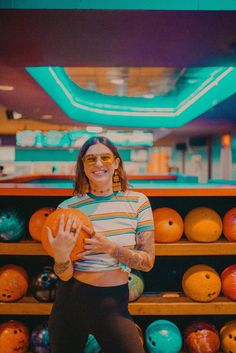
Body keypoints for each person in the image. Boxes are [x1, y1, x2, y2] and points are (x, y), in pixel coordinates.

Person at [48, 136, 155, 353]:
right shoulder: (67, 208)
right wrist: (60, 257)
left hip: (114, 304)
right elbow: (64, 274)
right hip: (71, 303)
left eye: (105, 157)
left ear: (116, 163)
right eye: (90, 159)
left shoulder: (137, 202)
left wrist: (111, 248)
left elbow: (147, 263)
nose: (98, 164)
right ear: (83, 166)